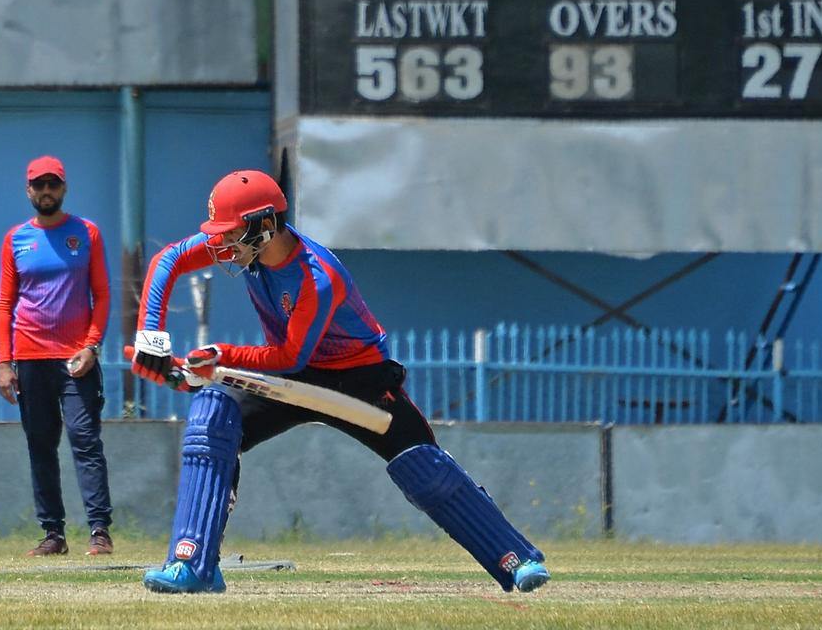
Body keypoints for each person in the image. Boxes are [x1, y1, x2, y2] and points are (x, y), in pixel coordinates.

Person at [129, 169, 550, 594]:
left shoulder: (317, 276)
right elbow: (169, 259)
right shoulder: (249, 249)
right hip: (291, 378)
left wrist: (222, 355)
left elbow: (292, 354)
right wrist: (151, 333)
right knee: (211, 416)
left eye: (231, 232)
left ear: (266, 226)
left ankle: (515, 559)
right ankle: (193, 563)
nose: (221, 244)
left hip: (358, 380)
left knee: (423, 466)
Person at [0, 155, 114, 557]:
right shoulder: (16, 239)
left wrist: (91, 345)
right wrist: (4, 363)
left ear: (63, 188)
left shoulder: (87, 233)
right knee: (41, 444)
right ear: (28, 190)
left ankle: (99, 530)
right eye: (38, 185)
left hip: (75, 358)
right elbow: (4, 304)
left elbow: (103, 295)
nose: (46, 191)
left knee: (84, 438)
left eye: (53, 184)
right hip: (29, 358)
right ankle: (53, 534)